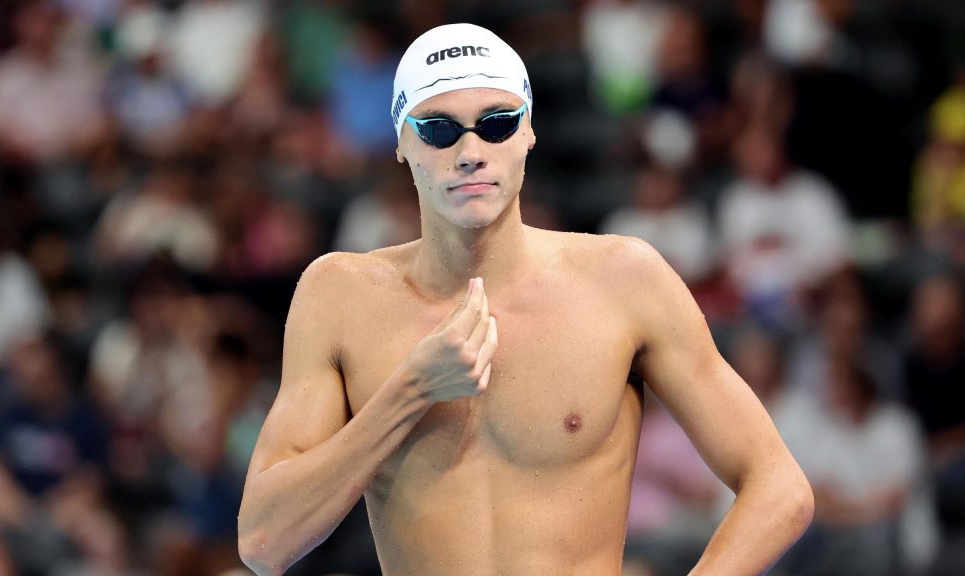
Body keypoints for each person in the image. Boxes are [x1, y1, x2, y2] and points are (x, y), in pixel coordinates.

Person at [238, 23, 813, 575]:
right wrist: (409, 392)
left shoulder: (624, 280)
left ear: (528, 132)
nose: (470, 151)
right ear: (402, 142)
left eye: (496, 124)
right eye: (438, 129)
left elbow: (779, 487)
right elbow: (265, 543)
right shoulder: (340, 297)